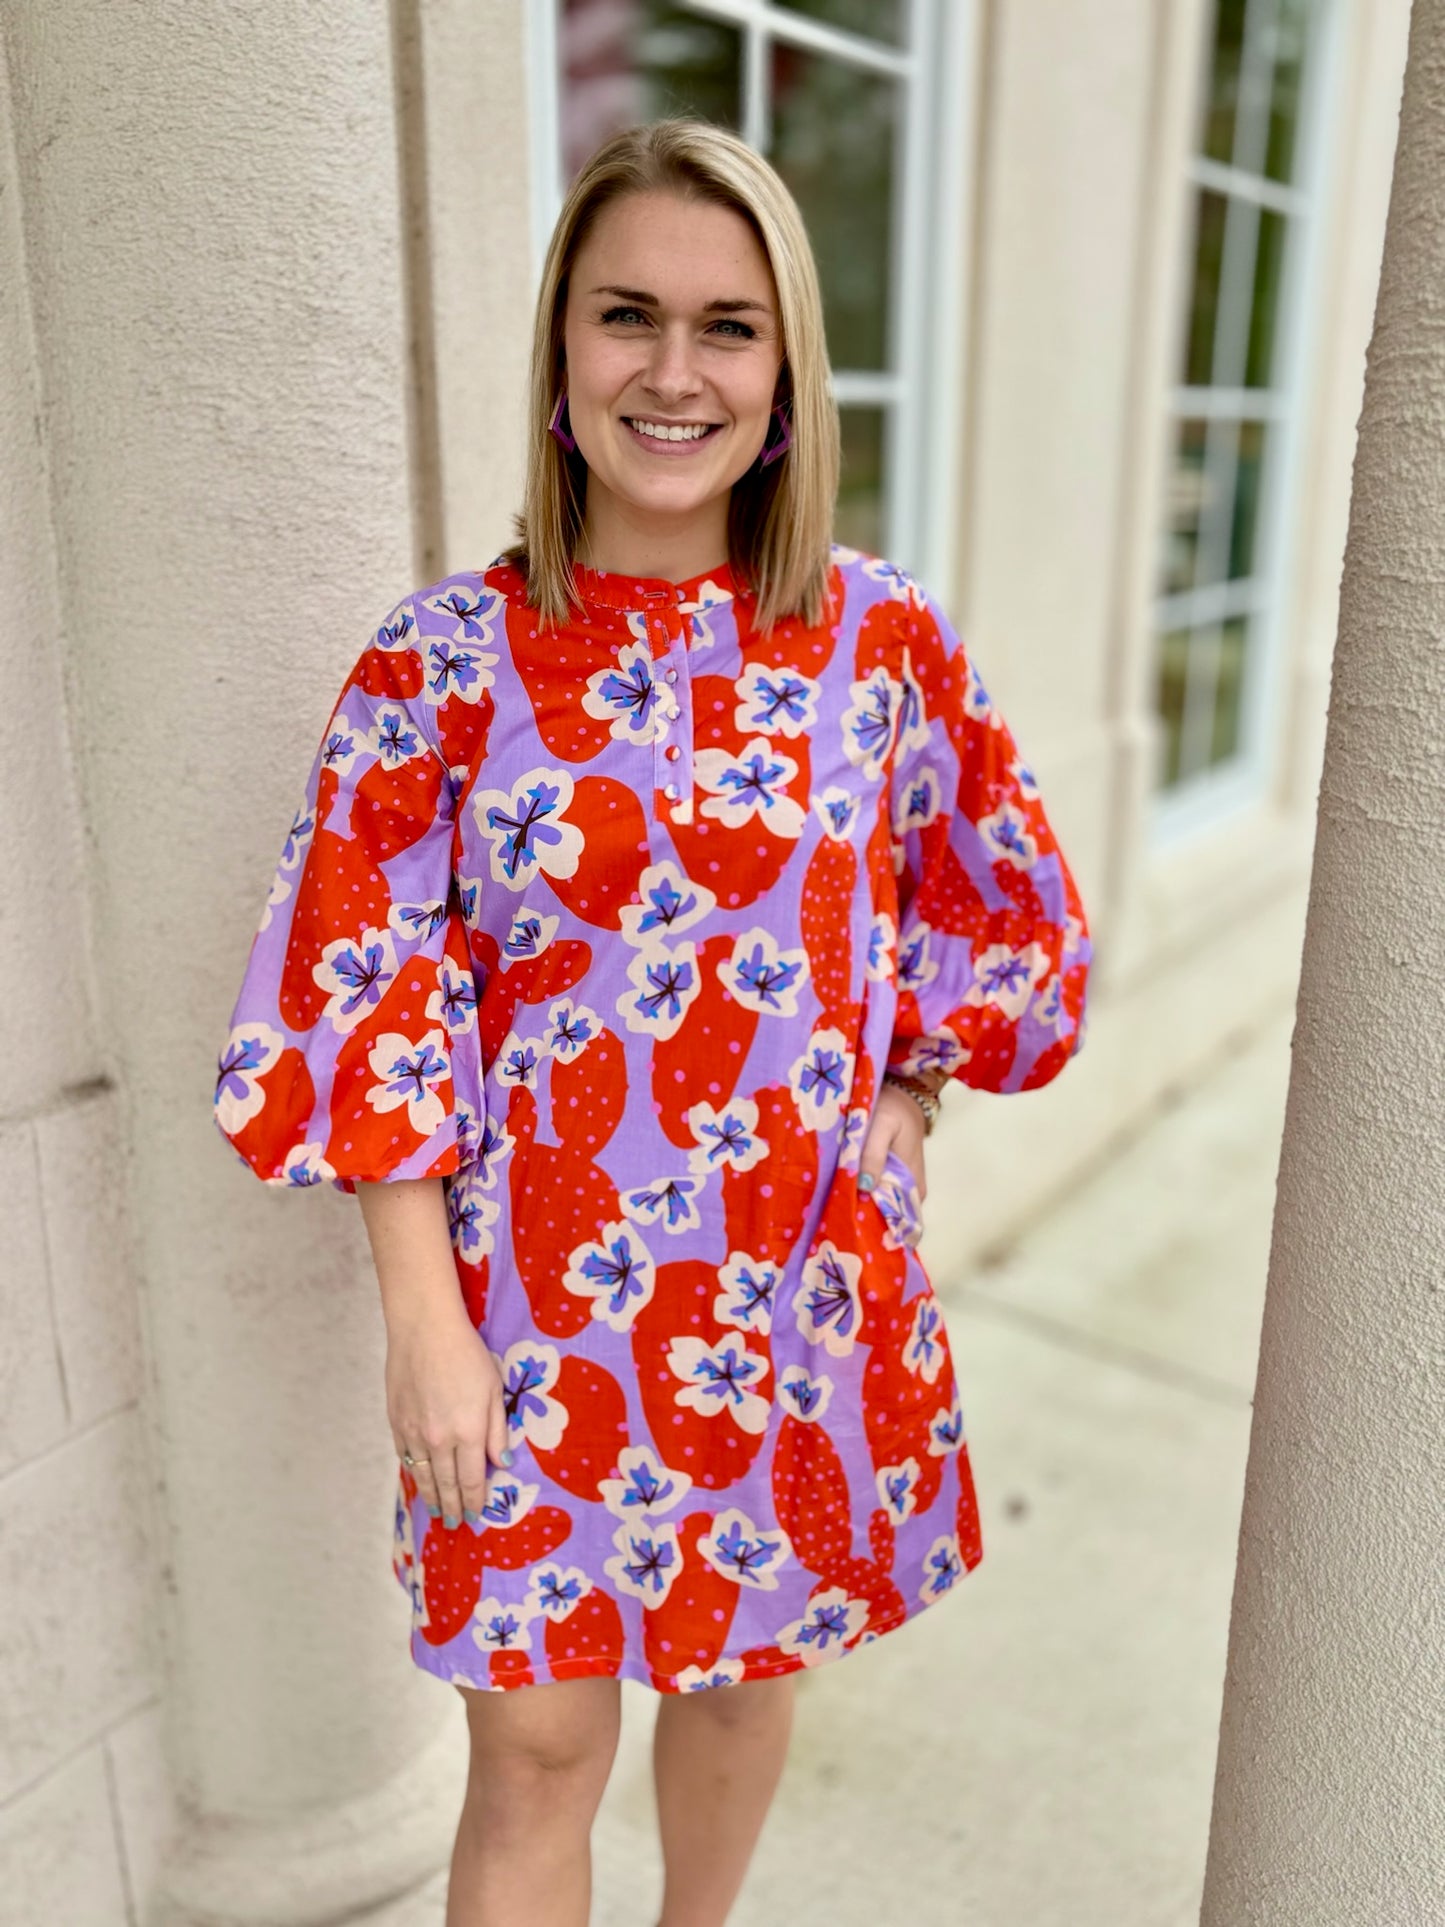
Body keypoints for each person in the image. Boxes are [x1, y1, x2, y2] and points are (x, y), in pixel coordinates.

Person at [214, 117, 1091, 1927]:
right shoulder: (441, 663)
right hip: (527, 1322)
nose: (674, 373)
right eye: (628, 317)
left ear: (787, 374)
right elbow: (364, 998)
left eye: (728, 326)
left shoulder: (881, 645)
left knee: (737, 1679)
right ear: (559, 348)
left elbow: (990, 902)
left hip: (791, 1292)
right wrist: (419, 1327)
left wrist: (910, 1102)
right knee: (534, 1752)